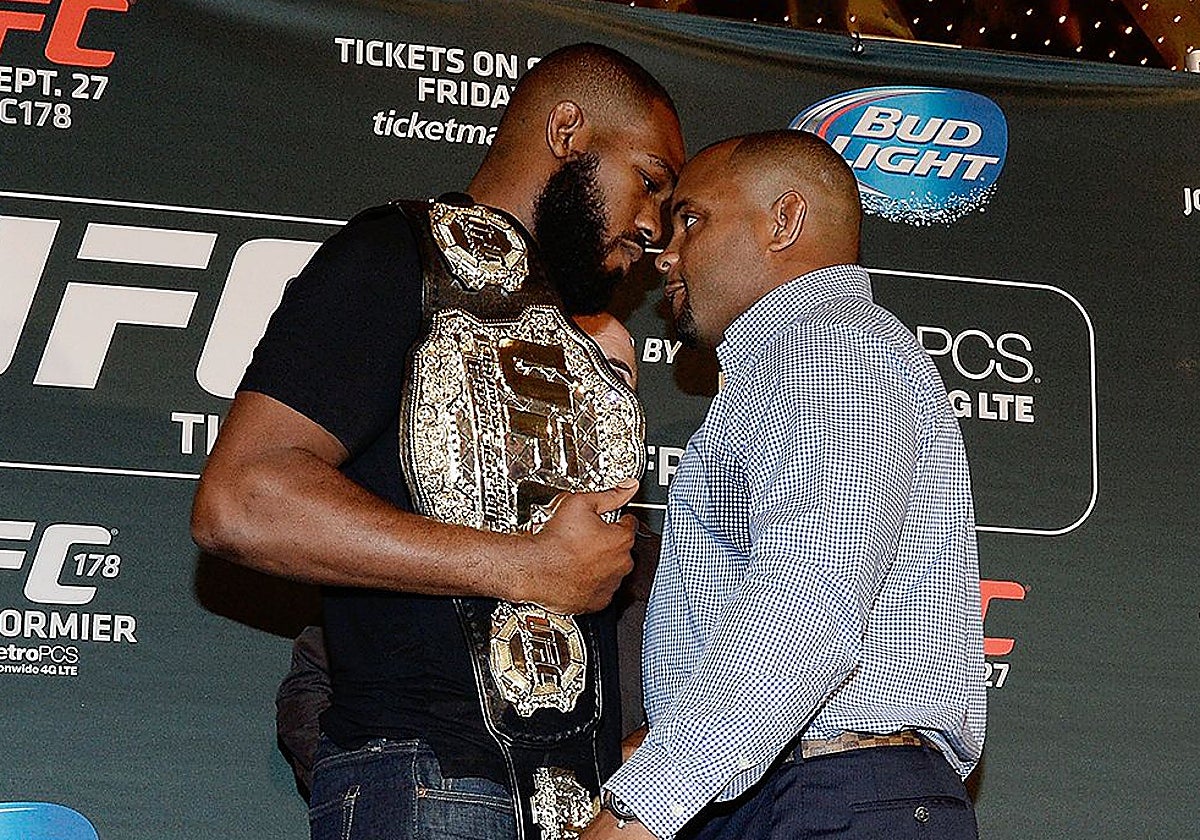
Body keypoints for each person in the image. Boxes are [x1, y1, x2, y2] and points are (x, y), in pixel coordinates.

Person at [191, 43, 684, 840]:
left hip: (575, 808)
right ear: (567, 131)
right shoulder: (396, 256)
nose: (653, 228)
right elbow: (241, 500)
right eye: (651, 182)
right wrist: (533, 566)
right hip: (430, 784)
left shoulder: (583, 340)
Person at [583, 130, 986, 840]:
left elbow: (809, 594)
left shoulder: (827, 346)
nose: (667, 252)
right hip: (794, 795)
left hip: (826, 796)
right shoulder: (796, 362)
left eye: (692, 218)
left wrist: (641, 807)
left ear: (785, 220)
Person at [274, 313, 660, 800]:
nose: (588, 386)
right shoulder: (434, 537)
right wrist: (395, 792)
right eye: (569, 363)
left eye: (612, 372)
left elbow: (710, 712)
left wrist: (612, 793)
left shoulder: (668, 564)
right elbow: (313, 687)